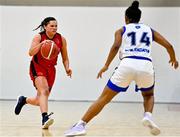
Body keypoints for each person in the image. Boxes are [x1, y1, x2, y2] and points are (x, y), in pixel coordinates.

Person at [64, 1, 179, 136]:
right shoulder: (149, 30)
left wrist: (106, 65)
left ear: (126, 18)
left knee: (104, 98)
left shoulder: (122, 30)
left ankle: (80, 125)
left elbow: (115, 46)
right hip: (146, 65)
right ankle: (148, 115)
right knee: (148, 95)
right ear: (139, 18)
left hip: (127, 64)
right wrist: (173, 58)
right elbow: (169, 46)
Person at [14, 17, 72, 129]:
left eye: (56, 26)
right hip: (37, 66)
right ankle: (45, 118)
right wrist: (41, 45)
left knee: (39, 100)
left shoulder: (61, 39)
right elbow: (30, 53)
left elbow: (65, 57)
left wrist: (67, 68)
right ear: (45, 27)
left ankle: (23, 100)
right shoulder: (39, 37)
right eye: (52, 26)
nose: (55, 28)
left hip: (51, 70)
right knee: (44, 91)